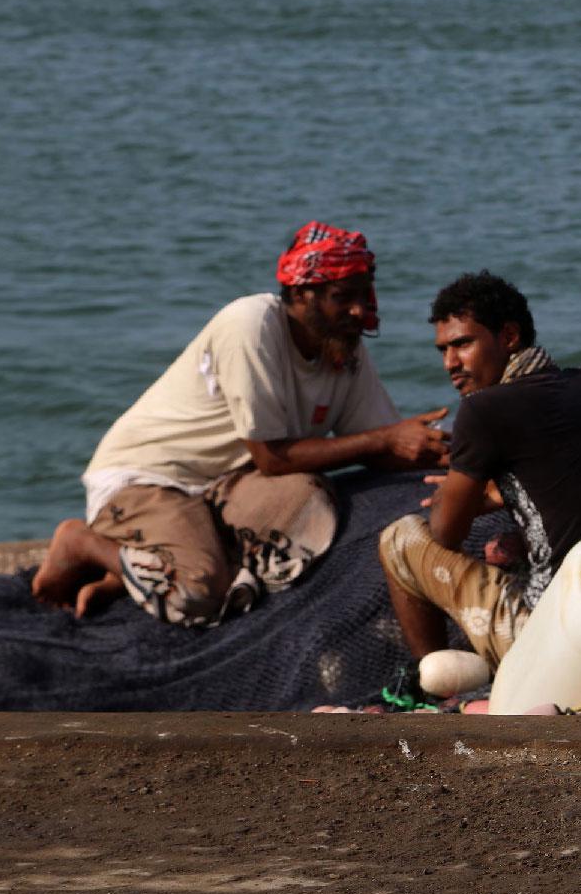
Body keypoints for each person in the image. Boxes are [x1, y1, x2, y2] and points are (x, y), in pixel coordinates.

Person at [30, 222, 449, 624]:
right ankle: (82, 544)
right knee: (199, 593)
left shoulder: (343, 349)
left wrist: (441, 453)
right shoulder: (251, 323)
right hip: (151, 479)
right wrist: (385, 440)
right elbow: (271, 458)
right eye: (344, 297)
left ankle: (127, 574)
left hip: (224, 485)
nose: (360, 310)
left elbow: (383, 448)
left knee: (307, 504)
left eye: (365, 294)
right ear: (304, 293)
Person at [379, 271, 581, 668]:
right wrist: (498, 490)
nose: (449, 364)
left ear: (508, 336)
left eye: (462, 344)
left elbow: (446, 534)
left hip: (556, 636)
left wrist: (450, 498)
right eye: (443, 350)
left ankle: (430, 682)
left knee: (399, 537)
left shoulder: (482, 410)